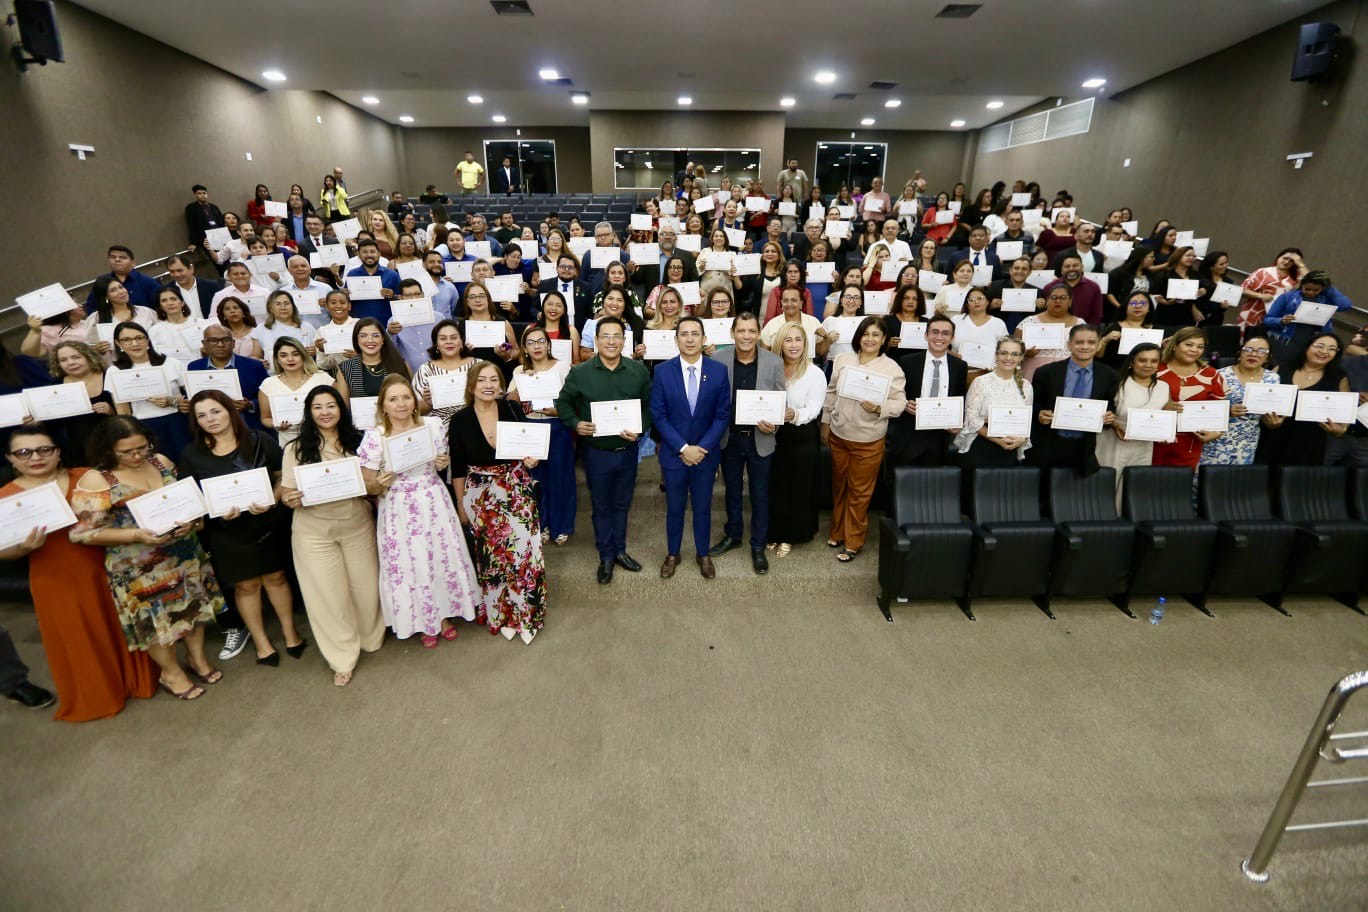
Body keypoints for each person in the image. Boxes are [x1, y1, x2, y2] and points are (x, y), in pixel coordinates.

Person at [0, 426, 157, 720]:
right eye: (24, 452)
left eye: (44, 449)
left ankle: (137, 681)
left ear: (58, 452)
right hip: (54, 576)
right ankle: (99, 695)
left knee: (120, 623)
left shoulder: (86, 476)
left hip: (106, 564)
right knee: (78, 636)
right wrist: (22, 548)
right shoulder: (5, 498)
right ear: (11, 459)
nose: (35, 457)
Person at [70, 417, 224, 701]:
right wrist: (135, 535)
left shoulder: (161, 462)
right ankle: (171, 672)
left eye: (142, 447)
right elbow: (82, 534)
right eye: (127, 452)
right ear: (108, 449)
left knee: (194, 608)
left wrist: (192, 521)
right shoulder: (97, 479)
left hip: (184, 554)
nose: (137, 456)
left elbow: (186, 500)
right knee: (156, 623)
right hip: (137, 566)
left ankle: (197, 658)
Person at [179, 390, 303, 665]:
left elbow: (284, 477)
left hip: (267, 522)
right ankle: (261, 642)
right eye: (201, 415)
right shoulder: (192, 454)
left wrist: (272, 498)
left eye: (215, 411)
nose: (210, 419)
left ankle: (290, 631)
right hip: (226, 531)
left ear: (229, 411)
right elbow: (192, 500)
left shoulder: (259, 439)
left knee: (276, 578)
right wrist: (216, 512)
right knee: (246, 586)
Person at [358, 375, 479, 647]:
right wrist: (379, 482)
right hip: (398, 506)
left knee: (439, 557)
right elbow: (368, 483)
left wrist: (442, 462)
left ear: (414, 402)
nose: (400, 404)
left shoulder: (432, 426)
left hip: (433, 500)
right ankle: (423, 619)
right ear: (383, 406)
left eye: (406, 397)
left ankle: (445, 614)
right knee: (410, 563)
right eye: (393, 399)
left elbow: (442, 464)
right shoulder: (376, 437)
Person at [278, 387, 385, 686]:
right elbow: (286, 491)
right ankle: (341, 657)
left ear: (341, 409)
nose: (325, 412)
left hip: (357, 524)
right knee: (328, 596)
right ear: (309, 412)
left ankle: (370, 637)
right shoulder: (295, 449)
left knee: (366, 589)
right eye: (317, 407)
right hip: (314, 532)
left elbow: (373, 481)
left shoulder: (360, 442)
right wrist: (290, 498)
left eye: (331, 405)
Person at [449, 361, 547, 641]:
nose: (489, 385)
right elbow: (457, 468)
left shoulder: (512, 409)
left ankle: (527, 614)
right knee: (494, 558)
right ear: (471, 385)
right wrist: (460, 505)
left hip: (516, 488)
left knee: (524, 552)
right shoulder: (460, 420)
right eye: (482, 380)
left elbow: (529, 445)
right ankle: (502, 614)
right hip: (480, 497)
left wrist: (531, 457)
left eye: (494, 379)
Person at [555, 316, 653, 584]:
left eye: (616, 336)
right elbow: (563, 404)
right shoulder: (580, 372)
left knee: (622, 503)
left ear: (624, 340)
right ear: (596, 341)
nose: (611, 341)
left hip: (627, 450)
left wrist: (641, 429)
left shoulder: (638, 372)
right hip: (596, 453)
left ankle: (620, 550)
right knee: (601, 505)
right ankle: (606, 555)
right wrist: (576, 423)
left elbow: (648, 407)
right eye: (605, 336)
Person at [649, 316, 731, 579]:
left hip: (705, 456)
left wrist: (701, 448)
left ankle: (702, 553)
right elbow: (659, 416)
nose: (690, 339)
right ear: (676, 340)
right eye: (684, 334)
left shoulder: (718, 371)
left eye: (695, 334)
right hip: (675, 456)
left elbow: (722, 415)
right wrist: (684, 448)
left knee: (703, 507)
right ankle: (673, 553)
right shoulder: (662, 371)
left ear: (704, 339)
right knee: (674, 508)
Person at [822, 317, 908, 562]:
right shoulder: (842, 360)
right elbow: (830, 392)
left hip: (868, 440)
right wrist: (826, 423)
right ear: (859, 336)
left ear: (884, 340)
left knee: (860, 492)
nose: (870, 339)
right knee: (839, 487)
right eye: (866, 334)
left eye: (876, 335)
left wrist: (880, 408)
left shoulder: (892, 369)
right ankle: (837, 532)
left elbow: (900, 403)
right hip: (839, 434)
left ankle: (853, 542)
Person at [709, 312, 785, 574]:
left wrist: (773, 423)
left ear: (758, 333)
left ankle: (757, 545)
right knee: (732, 490)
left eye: (751, 331)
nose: (746, 336)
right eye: (741, 331)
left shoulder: (774, 362)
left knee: (760, 494)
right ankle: (733, 534)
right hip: (729, 439)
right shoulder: (718, 359)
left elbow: (779, 399)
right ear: (733, 333)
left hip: (760, 440)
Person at [507, 324, 575, 545]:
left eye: (541, 341)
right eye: (531, 342)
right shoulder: (519, 371)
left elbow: (575, 402)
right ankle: (542, 524)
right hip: (531, 428)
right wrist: (523, 384)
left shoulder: (562, 367)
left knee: (560, 478)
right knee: (538, 480)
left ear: (548, 345)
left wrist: (557, 410)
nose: (536, 346)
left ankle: (561, 525)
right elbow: (508, 401)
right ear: (524, 348)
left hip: (557, 426)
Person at [765, 323, 825, 556]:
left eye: (798, 339)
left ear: (805, 343)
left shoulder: (815, 373)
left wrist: (795, 414)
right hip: (772, 435)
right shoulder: (771, 368)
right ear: (780, 343)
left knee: (799, 487)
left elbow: (814, 408)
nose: (793, 345)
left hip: (801, 436)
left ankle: (792, 535)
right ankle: (775, 531)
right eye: (788, 340)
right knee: (775, 486)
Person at [1028, 324, 1119, 474]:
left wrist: (1109, 416)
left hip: (1084, 448)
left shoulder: (1109, 376)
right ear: (1069, 345)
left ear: (1098, 345)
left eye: (1091, 342)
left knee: (1076, 495)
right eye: (1079, 342)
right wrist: (1039, 414)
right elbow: (1033, 404)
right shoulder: (1046, 372)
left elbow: (1110, 405)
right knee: (1043, 492)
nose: (1085, 346)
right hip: (1049, 445)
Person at [1255, 332, 1351, 466]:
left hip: (1310, 442)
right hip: (1273, 435)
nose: (1324, 351)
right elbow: (1264, 401)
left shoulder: (1339, 377)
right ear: (1307, 347)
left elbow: (1344, 416)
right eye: (1319, 346)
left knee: (1296, 484)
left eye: (1331, 349)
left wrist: (1340, 430)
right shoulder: (1282, 368)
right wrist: (1266, 419)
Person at [1095, 343, 1172, 508]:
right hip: (1114, 441)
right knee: (1108, 485)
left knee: (1134, 486)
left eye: (1153, 361)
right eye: (1142, 360)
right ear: (1132, 361)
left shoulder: (1164, 387)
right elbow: (1100, 412)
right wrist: (1115, 425)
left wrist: (1165, 433)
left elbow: (1162, 417)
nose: (1148, 365)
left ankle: (1127, 526)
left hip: (1143, 445)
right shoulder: (1117, 383)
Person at [888, 314, 967, 468]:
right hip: (910, 431)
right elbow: (894, 395)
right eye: (934, 332)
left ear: (952, 338)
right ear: (926, 335)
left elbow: (959, 397)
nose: (939, 337)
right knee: (904, 479)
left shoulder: (959, 366)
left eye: (945, 333)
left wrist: (957, 421)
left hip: (941, 435)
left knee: (933, 481)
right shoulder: (907, 362)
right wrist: (904, 404)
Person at [106, 321, 191, 463]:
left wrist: (172, 401)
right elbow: (123, 411)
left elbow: (191, 397)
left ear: (148, 340)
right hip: (142, 427)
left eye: (139, 338)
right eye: (127, 340)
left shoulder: (171, 363)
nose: (134, 344)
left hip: (177, 423)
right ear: (118, 343)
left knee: (187, 463)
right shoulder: (114, 371)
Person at [954, 337, 1034, 482]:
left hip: (1011, 446)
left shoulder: (1026, 386)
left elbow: (1026, 420)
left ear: (1021, 357)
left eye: (1015, 354)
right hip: (982, 445)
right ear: (996, 355)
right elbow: (972, 420)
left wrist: (1021, 440)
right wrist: (998, 441)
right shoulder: (981, 382)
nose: (1008, 358)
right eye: (1004, 353)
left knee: (1003, 497)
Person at [1201, 334, 1280, 468]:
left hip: (1248, 439)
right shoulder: (1219, 375)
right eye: (1248, 349)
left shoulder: (1272, 378)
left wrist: (1273, 422)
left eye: (1261, 351)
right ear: (1240, 353)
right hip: (1216, 437)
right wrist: (1227, 411)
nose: (1253, 354)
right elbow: (1204, 408)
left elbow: (1269, 412)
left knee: (1236, 482)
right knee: (1208, 481)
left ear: (1268, 357)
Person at [1152, 328, 1225, 470]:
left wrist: (1216, 432)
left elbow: (1219, 411)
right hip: (1153, 440)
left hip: (1190, 444)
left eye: (1200, 346)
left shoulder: (1211, 374)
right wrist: (1161, 407)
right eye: (1189, 344)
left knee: (1179, 488)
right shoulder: (1155, 369)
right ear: (1174, 345)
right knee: (1147, 486)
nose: (1194, 350)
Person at [38, 341, 115, 463]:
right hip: (77, 452)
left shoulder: (109, 376)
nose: (70, 363)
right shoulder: (55, 387)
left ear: (88, 357)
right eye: (63, 360)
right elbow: (52, 425)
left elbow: (130, 412)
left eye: (76, 357)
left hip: (114, 442)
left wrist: (111, 411)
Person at [190, 323, 270, 431]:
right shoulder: (194, 367)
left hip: (249, 426)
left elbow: (269, 395)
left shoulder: (254, 366)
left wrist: (250, 404)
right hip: (210, 427)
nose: (220, 344)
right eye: (213, 340)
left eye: (226, 340)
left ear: (233, 343)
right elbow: (193, 399)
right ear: (204, 343)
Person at [258, 337, 335, 446]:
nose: (290, 359)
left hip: (324, 440)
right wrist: (275, 424)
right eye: (284, 355)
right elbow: (265, 418)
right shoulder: (268, 384)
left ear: (303, 356)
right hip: (288, 444)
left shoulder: (322, 378)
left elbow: (338, 408)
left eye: (295, 354)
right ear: (277, 359)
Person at [1263, 270, 1354, 361]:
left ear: (1322, 289)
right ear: (1301, 285)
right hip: (1284, 340)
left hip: (1312, 343)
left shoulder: (1325, 300)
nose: (1311, 292)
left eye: (1316, 290)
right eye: (1307, 289)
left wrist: (1329, 286)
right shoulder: (1287, 297)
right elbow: (1267, 320)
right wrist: (1281, 320)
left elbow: (1346, 305)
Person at [333, 317, 411, 405]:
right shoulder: (346, 368)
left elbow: (411, 400)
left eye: (376, 335)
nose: (370, 340)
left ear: (383, 339)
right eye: (363, 336)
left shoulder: (399, 364)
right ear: (356, 340)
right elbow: (343, 408)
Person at [1016, 285, 1086, 380]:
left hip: (1066, 373)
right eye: (1054, 297)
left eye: (1063, 298)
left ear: (1070, 301)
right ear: (1047, 300)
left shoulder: (1080, 324)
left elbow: (1085, 350)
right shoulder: (1029, 322)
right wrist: (1025, 353)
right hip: (1032, 373)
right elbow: (1013, 351)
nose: (1058, 301)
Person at [1239, 247, 1305, 330]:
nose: (1286, 262)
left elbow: (1313, 281)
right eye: (1285, 258)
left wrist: (1300, 263)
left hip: (1277, 319)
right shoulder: (1262, 272)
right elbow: (1241, 290)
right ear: (1278, 257)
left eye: (1291, 261)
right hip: (1252, 316)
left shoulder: (1295, 279)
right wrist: (1260, 296)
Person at [83, 246, 163, 313]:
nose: (117, 260)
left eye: (123, 257)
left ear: (133, 263)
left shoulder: (148, 282)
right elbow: (91, 307)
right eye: (113, 257)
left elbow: (160, 307)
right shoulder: (102, 282)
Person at [253, 290, 318, 367]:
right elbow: (255, 356)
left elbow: (319, 351)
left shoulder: (307, 327)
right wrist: (258, 362)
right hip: (273, 375)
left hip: (306, 373)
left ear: (293, 306)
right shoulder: (261, 329)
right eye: (278, 304)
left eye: (286, 303)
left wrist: (316, 351)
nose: (283, 308)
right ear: (270, 308)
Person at [344, 239, 400, 324]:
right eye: (365, 252)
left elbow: (402, 299)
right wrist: (345, 295)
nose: (369, 255)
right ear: (359, 255)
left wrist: (393, 296)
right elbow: (347, 301)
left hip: (385, 324)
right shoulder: (352, 274)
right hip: (358, 324)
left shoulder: (392, 275)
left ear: (379, 254)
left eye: (373, 252)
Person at [1098, 292, 1158, 369]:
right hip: (1115, 371)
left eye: (1142, 303)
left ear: (1149, 308)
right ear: (1125, 307)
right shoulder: (1113, 327)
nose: (1137, 306)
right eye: (1133, 303)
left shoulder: (1155, 330)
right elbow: (1098, 355)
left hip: (1145, 371)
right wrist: (1105, 340)